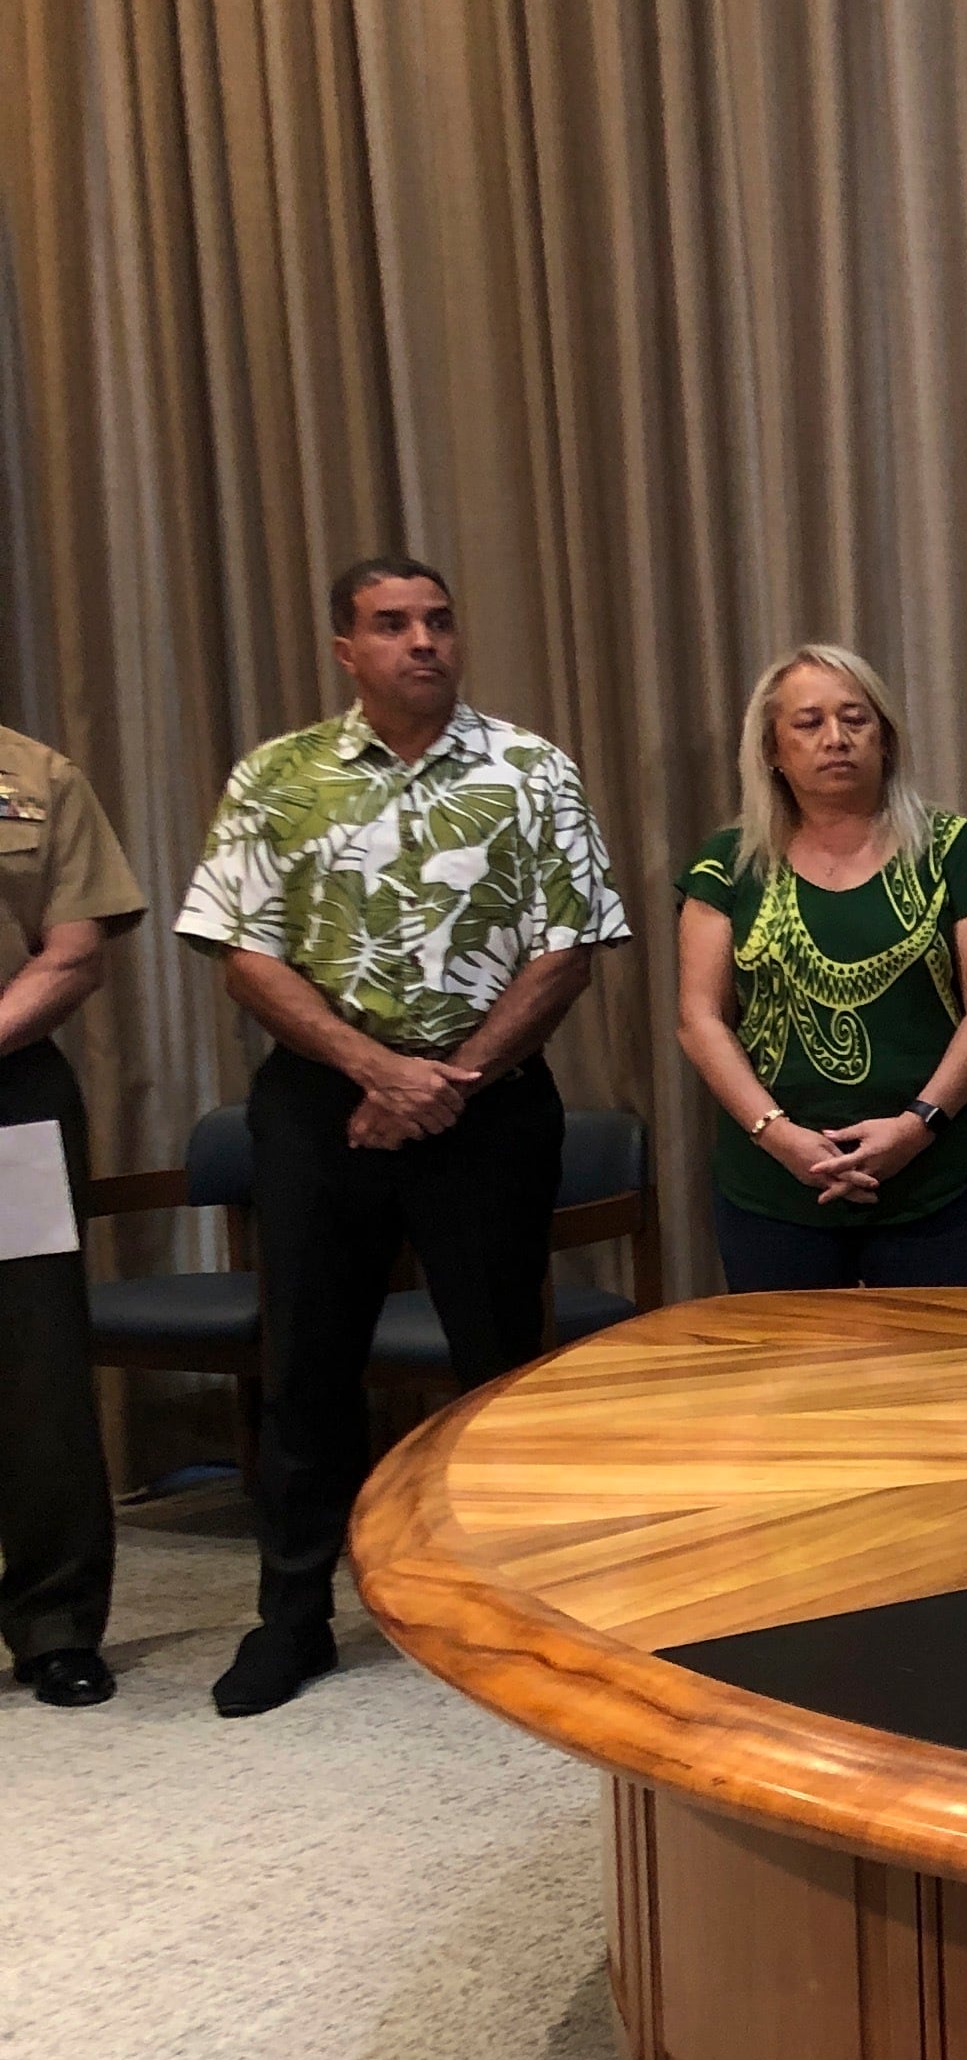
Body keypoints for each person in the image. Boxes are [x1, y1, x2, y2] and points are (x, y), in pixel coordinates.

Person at [176, 555, 630, 1716]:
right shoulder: (279, 778)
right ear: (347, 650)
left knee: (498, 1367)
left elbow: (568, 946)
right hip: (325, 1106)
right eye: (391, 625)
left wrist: (449, 1080)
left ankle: (514, 1615)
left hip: (489, 1107)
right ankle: (292, 1620)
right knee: (310, 1366)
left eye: (437, 619)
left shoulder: (531, 770)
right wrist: (376, 1069)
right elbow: (245, 953)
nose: (421, 640)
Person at [672, 645, 967, 1289]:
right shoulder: (726, 864)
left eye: (855, 719)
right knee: (790, 1387)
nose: (836, 739)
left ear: (885, 739)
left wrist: (916, 1128)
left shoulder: (954, 850)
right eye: (809, 723)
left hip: (936, 1178)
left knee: (941, 1381)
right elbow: (700, 1020)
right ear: (773, 750)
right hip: (774, 1186)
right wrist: (781, 1138)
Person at [0, 725, 149, 1708]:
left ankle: (55, 1625)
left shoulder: (34, 774)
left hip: (7, 1094)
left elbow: (74, 953)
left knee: (35, 1366)